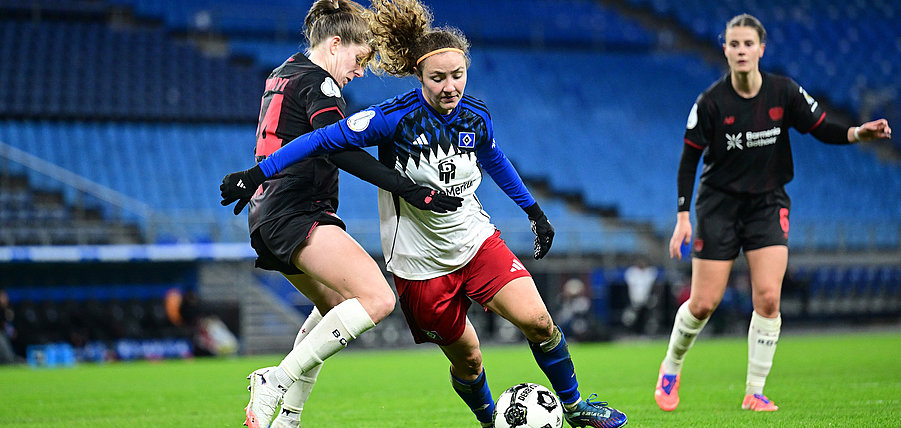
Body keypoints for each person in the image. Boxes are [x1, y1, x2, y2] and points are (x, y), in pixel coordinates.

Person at [221, 1, 628, 426]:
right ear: (419, 78)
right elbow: (324, 141)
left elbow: (495, 158)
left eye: (458, 75)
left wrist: (533, 210)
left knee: (540, 321)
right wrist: (257, 172)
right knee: (468, 360)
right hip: (420, 265)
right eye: (439, 78)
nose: (450, 86)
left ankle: (576, 405)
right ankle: (489, 420)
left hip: (475, 241)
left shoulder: (475, 115)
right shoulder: (390, 117)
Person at [220, 2, 462, 427]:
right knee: (377, 299)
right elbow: (341, 147)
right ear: (335, 45)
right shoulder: (321, 85)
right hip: (296, 211)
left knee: (333, 309)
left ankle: (288, 417)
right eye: (359, 58)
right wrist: (408, 188)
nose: (360, 71)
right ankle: (275, 379)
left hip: (267, 215)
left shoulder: (284, 71)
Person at [655, 13, 892, 413]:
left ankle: (755, 391)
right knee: (703, 304)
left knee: (767, 298)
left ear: (761, 49)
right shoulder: (711, 103)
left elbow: (821, 128)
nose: (742, 50)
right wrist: (682, 216)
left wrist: (856, 133)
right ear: (725, 49)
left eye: (749, 44)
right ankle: (671, 365)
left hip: (767, 204)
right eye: (735, 44)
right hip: (719, 206)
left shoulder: (784, 92)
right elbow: (687, 162)